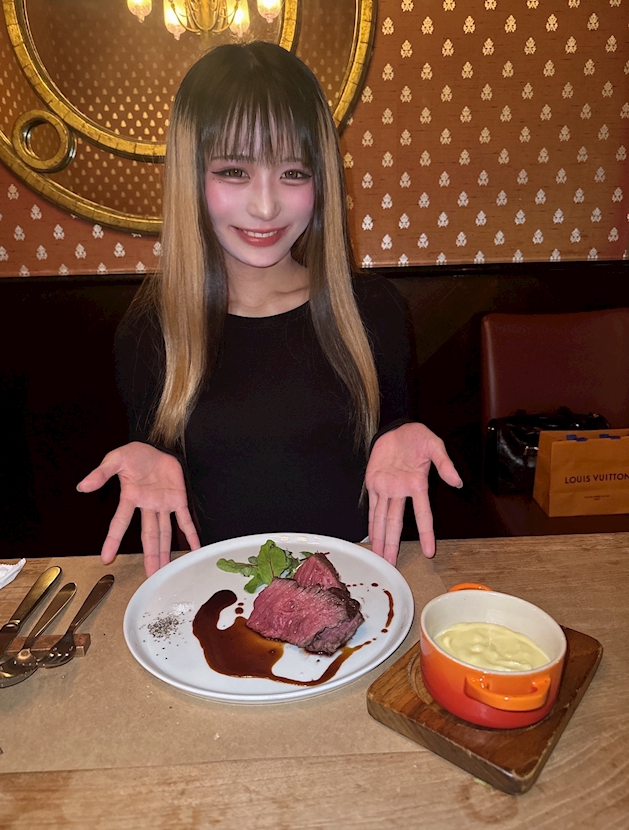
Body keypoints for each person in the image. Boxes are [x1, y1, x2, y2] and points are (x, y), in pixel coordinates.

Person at [77, 42, 462, 577]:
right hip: (214, 602)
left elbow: (392, 447)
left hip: (355, 591)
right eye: (234, 171)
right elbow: (159, 485)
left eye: (294, 173)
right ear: (191, 177)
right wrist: (145, 452)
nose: (265, 206)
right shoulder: (149, 331)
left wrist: (403, 429)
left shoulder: (373, 310)